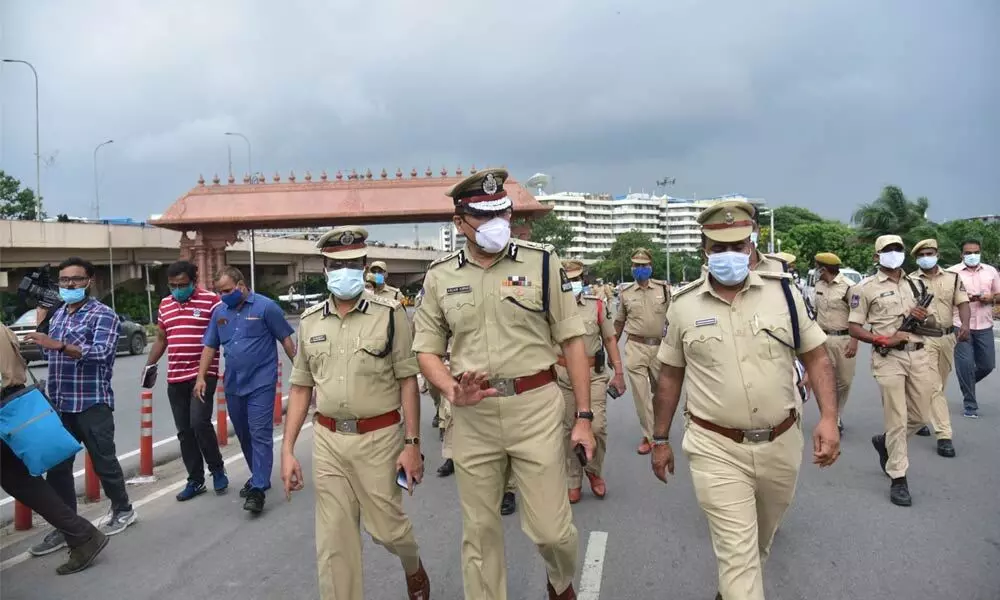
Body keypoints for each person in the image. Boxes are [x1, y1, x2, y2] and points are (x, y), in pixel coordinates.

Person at [413, 167, 595, 600]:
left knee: (552, 532)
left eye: (503, 212)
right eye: (484, 215)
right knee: (479, 532)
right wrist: (451, 390)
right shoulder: (440, 277)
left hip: (535, 408)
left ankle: (559, 580)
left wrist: (584, 417)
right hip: (472, 415)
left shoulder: (543, 262)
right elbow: (426, 349)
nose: (498, 224)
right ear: (459, 223)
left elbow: (572, 341)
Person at [650, 200, 840, 600]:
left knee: (761, 540)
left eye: (738, 245)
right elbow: (669, 376)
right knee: (738, 555)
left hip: (781, 441)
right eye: (719, 248)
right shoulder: (683, 305)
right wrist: (660, 439)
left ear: (752, 244)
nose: (729, 256)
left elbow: (817, 357)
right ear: (705, 248)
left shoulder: (785, 294)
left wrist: (828, 419)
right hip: (714, 446)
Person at [281, 226, 430, 600]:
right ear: (325, 267)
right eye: (336, 264)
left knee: (388, 531)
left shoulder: (391, 315)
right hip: (329, 441)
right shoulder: (311, 321)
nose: (343, 271)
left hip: (379, 440)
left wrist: (412, 444)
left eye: (352, 264)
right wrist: (287, 451)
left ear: (362, 266)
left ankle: (412, 565)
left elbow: (407, 381)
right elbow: (301, 387)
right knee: (334, 544)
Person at [24, 257, 136, 557]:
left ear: (90, 281)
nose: (69, 285)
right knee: (58, 469)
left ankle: (123, 509)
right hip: (60, 404)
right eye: (64, 280)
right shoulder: (58, 315)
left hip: (91, 402)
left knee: (103, 462)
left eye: (75, 279)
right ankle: (66, 525)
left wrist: (58, 345)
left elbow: (101, 354)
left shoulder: (103, 315)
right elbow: (48, 352)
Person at [2, 323, 110, 575]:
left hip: (6, 409)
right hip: (12, 406)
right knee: (20, 480)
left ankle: (82, 534)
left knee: (20, 481)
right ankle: (81, 534)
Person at [195, 266, 296, 514]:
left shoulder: (266, 307)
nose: (223, 295)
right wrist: (200, 377)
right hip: (233, 384)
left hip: (262, 381)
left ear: (241, 285)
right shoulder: (219, 313)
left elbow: (286, 340)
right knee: (243, 433)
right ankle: (258, 474)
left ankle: (258, 488)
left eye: (227, 290)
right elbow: (210, 346)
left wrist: (303, 373)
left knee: (259, 432)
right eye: (219, 291)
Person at [848, 235, 935, 506]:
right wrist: (881, 339)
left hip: (918, 354)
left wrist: (923, 318)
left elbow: (931, 325)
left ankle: (885, 442)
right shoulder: (864, 288)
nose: (894, 253)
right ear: (877, 256)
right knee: (897, 416)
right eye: (887, 250)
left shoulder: (917, 284)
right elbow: (854, 327)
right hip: (888, 359)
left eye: (898, 249)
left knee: (921, 416)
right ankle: (898, 476)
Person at [145, 260, 229, 501]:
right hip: (175, 377)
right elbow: (162, 338)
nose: (177, 289)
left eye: (182, 285)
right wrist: (149, 365)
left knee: (199, 423)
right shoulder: (165, 305)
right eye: (172, 285)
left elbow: (222, 333)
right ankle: (195, 479)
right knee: (184, 431)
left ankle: (217, 469)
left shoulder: (212, 302)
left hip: (203, 375)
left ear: (194, 281)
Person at [559, 260, 626, 503]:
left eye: (576, 279)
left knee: (595, 426)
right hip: (562, 376)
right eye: (568, 279)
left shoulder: (596, 306)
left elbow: (609, 339)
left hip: (593, 376)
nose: (573, 284)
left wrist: (618, 373)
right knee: (568, 429)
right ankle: (573, 479)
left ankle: (594, 472)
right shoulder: (552, 308)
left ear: (583, 281)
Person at [911, 239, 971, 455]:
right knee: (934, 385)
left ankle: (919, 417)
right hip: (923, 338)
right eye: (922, 254)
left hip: (947, 337)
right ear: (917, 258)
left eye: (930, 253)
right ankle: (944, 435)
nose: (927, 257)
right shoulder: (910, 281)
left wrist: (965, 325)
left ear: (937, 254)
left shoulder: (953, 279)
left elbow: (963, 303)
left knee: (939, 384)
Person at [614, 248, 670, 455]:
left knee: (661, 392)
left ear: (650, 267)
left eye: (643, 265)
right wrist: (611, 351)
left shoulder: (663, 289)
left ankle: (659, 427)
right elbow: (619, 322)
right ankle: (650, 436)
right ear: (632, 268)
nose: (640, 269)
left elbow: (674, 318)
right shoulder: (626, 293)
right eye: (636, 265)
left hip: (660, 347)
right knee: (641, 394)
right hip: (635, 347)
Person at [947, 238, 999, 418]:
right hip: (960, 325)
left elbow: (999, 295)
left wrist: (990, 297)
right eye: (968, 253)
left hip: (985, 324)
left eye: (975, 252)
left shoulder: (991, 271)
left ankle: (967, 382)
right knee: (966, 365)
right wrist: (962, 298)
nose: (972, 255)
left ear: (980, 252)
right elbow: (944, 299)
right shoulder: (951, 273)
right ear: (961, 254)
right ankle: (970, 404)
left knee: (987, 365)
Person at [812, 252, 859, 432]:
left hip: (843, 339)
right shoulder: (818, 285)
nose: (816, 270)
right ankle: (831, 416)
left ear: (824, 268)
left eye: (817, 267)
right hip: (822, 338)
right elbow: (815, 313)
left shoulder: (849, 287)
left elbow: (856, 317)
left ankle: (836, 412)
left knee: (844, 380)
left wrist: (854, 342)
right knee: (823, 379)